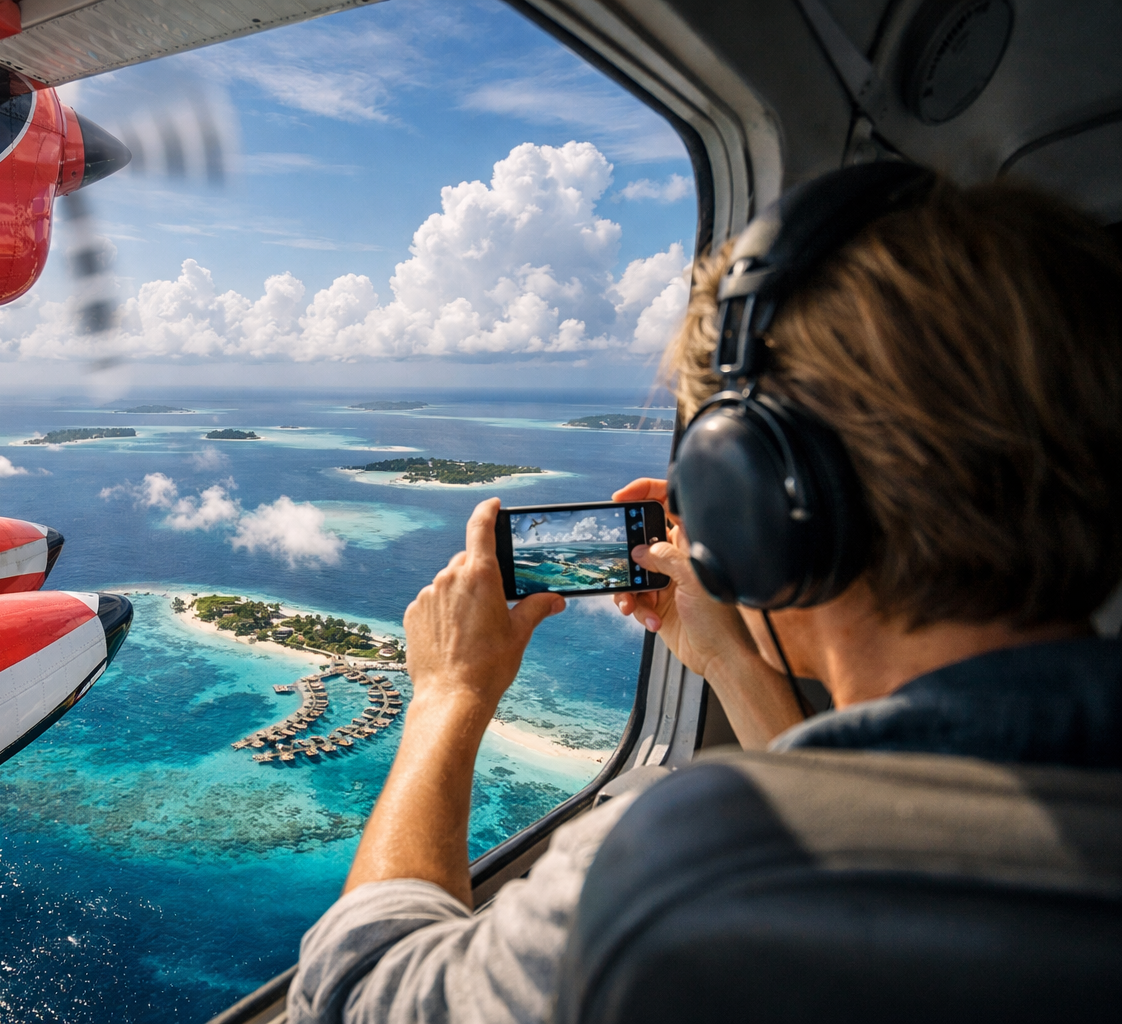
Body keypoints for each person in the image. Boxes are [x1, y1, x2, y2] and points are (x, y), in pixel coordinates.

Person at [286, 169, 1122, 1024]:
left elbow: (356, 994)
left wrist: (447, 694)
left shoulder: (680, 877)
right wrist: (728, 655)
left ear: (756, 505)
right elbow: (869, 800)